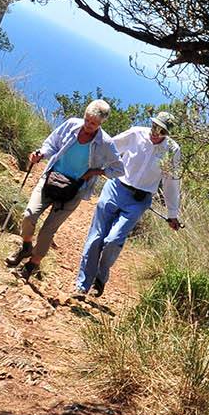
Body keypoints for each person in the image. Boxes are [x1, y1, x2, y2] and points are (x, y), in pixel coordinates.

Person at [6, 99, 123, 279]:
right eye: (87, 119)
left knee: (48, 230)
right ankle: (26, 246)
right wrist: (41, 154)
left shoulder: (105, 143)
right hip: (50, 179)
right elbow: (51, 143)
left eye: (93, 123)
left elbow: (119, 169)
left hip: (74, 190)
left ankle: (32, 265)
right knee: (29, 215)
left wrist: (96, 171)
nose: (88, 125)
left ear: (101, 123)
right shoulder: (71, 125)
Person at [75, 112, 183, 298]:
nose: (156, 132)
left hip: (138, 200)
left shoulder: (172, 150)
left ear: (168, 133)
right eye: (155, 126)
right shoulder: (136, 133)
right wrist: (90, 165)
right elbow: (110, 148)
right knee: (96, 237)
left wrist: (172, 213)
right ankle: (83, 285)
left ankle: (100, 278)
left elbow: (171, 181)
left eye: (162, 131)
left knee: (113, 240)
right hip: (115, 187)